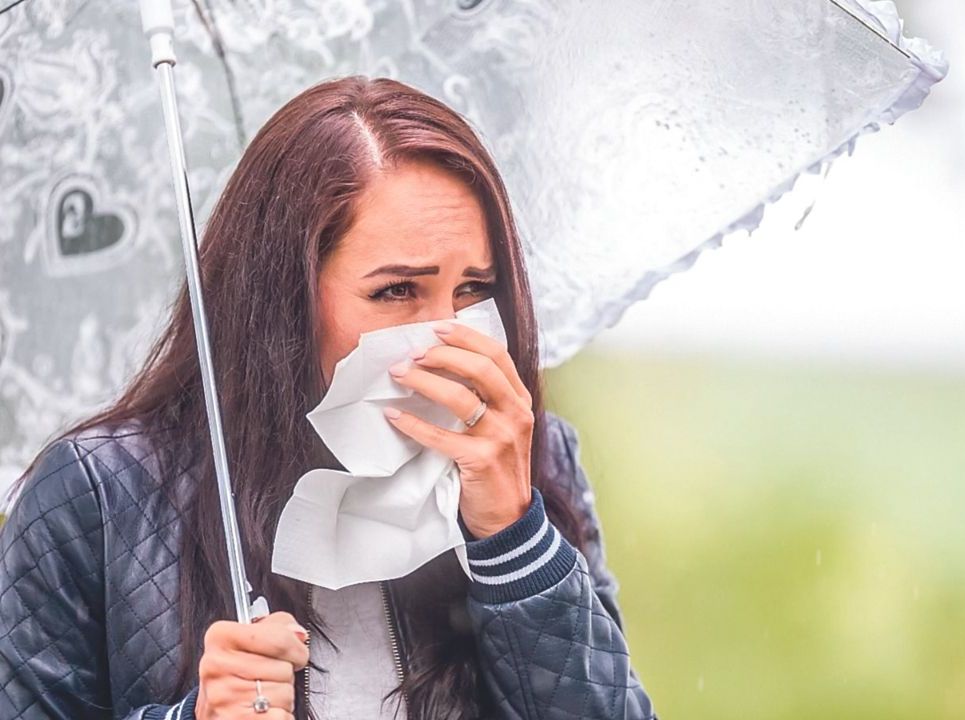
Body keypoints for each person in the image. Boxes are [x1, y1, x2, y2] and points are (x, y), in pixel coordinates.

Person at [0, 76, 656, 720]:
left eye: (475, 288)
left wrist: (514, 541)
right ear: (284, 302)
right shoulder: (98, 496)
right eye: (398, 290)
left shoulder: (533, 458)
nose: (451, 334)